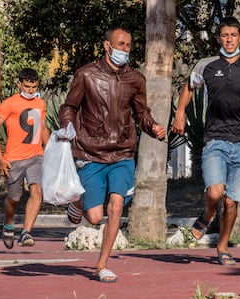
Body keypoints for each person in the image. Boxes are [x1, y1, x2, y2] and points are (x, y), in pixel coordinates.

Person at [171, 16, 240, 266]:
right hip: (215, 139)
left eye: (233, 35)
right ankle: (208, 213)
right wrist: (179, 113)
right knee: (215, 191)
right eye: (224, 35)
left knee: (232, 201)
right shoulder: (206, 65)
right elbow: (189, 87)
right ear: (219, 38)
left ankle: (222, 247)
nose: (229, 39)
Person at [58, 26, 166, 283]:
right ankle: (78, 202)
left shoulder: (136, 79)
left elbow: (141, 113)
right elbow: (69, 107)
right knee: (94, 217)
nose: (125, 50)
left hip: (122, 153)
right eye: (120, 44)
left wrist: (153, 127)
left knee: (116, 205)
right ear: (107, 46)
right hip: (91, 152)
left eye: (128, 45)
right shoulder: (86, 75)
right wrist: (67, 127)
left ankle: (102, 264)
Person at [0, 68, 50, 249]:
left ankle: (26, 232)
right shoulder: (9, 103)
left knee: (37, 191)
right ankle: (8, 224)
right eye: (27, 86)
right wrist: (0, 158)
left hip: (36, 155)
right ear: (19, 84)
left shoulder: (40, 104)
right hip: (13, 158)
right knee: (14, 198)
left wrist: (53, 151)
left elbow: (43, 128)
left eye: (34, 87)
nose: (30, 90)